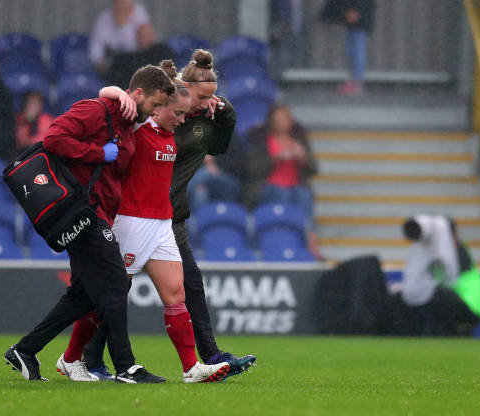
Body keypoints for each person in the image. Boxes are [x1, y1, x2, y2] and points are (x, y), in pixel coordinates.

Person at [81, 50, 256, 380]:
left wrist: (227, 113)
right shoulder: (155, 112)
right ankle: (85, 357)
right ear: (182, 89)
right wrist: (118, 92)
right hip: (133, 214)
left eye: (212, 96)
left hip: (169, 217)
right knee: (115, 290)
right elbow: (115, 100)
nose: (208, 102)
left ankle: (206, 358)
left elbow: (220, 145)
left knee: (187, 285)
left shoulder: (204, 120)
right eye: (202, 96)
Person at [3, 64, 175, 384]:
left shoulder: (126, 121)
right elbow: (54, 138)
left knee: (83, 296)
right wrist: (98, 152)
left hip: (98, 213)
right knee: (115, 282)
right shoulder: (99, 110)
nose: (155, 112)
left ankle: (25, 350)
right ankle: (126, 366)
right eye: (154, 105)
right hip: (82, 212)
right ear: (138, 94)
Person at [244, 103, 323, 260]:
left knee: (304, 197)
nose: (282, 122)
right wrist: (275, 159)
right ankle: (283, 245)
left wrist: (303, 158)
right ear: (271, 121)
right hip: (268, 186)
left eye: (285, 118)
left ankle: (311, 245)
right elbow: (251, 169)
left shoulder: (298, 141)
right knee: (282, 194)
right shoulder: (262, 141)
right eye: (278, 118)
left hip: (296, 185)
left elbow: (313, 169)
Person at [398, 214, 480, 336]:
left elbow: (446, 277)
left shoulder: (459, 252)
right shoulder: (441, 251)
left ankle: (447, 331)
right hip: (457, 301)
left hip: (470, 306)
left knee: (433, 294)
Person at [319, 0, 376, 95]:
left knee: (357, 50)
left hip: (359, 18)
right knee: (351, 49)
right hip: (356, 18)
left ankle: (357, 83)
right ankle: (354, 81)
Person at [90, 0, 151, 77]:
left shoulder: (138, 12)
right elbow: (96, 49)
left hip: (137, 58)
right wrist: (100, 62)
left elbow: (144, 42)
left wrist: (123, 26)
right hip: (115, 63)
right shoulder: (103, 18)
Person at [105, 22, 176, 87]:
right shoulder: (128, 57)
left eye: (148, 34)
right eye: (141, 35)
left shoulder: (163, 51)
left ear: (153, 35)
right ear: (137, 38)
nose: (144, 38)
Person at [269, 0, 305, 80]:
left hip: (297, 33)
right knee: (281, 63)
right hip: (283, 34)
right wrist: (277, 29)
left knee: (296, 62)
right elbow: (275, 12)